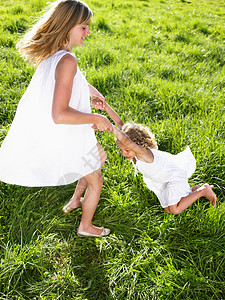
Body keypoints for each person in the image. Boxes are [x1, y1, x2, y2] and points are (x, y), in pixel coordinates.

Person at [0, 0, 114, 237]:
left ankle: (74, 201)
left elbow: (63, 86)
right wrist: (97, 118)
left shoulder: (55, 55)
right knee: (96, 180)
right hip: (70, 133)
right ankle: (86, 226)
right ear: (68, 25)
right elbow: (59, 113)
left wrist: (88, 92)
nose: (88, 32)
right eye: (83, 27)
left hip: (72, 133)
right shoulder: (68, 60)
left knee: (96, 160)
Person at [92, 99, 217, 214]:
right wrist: (105, 107)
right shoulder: (133, 150)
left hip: (173, 176)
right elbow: (120, 123)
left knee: (174, 209)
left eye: (127, 150)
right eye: (121, 150)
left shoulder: (143, 153)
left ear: (138, 145)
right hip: (163, 179)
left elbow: (125, 139)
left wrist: (107, 125)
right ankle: (194, 191)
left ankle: (203, 190)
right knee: (168, 209)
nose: (124, 153)